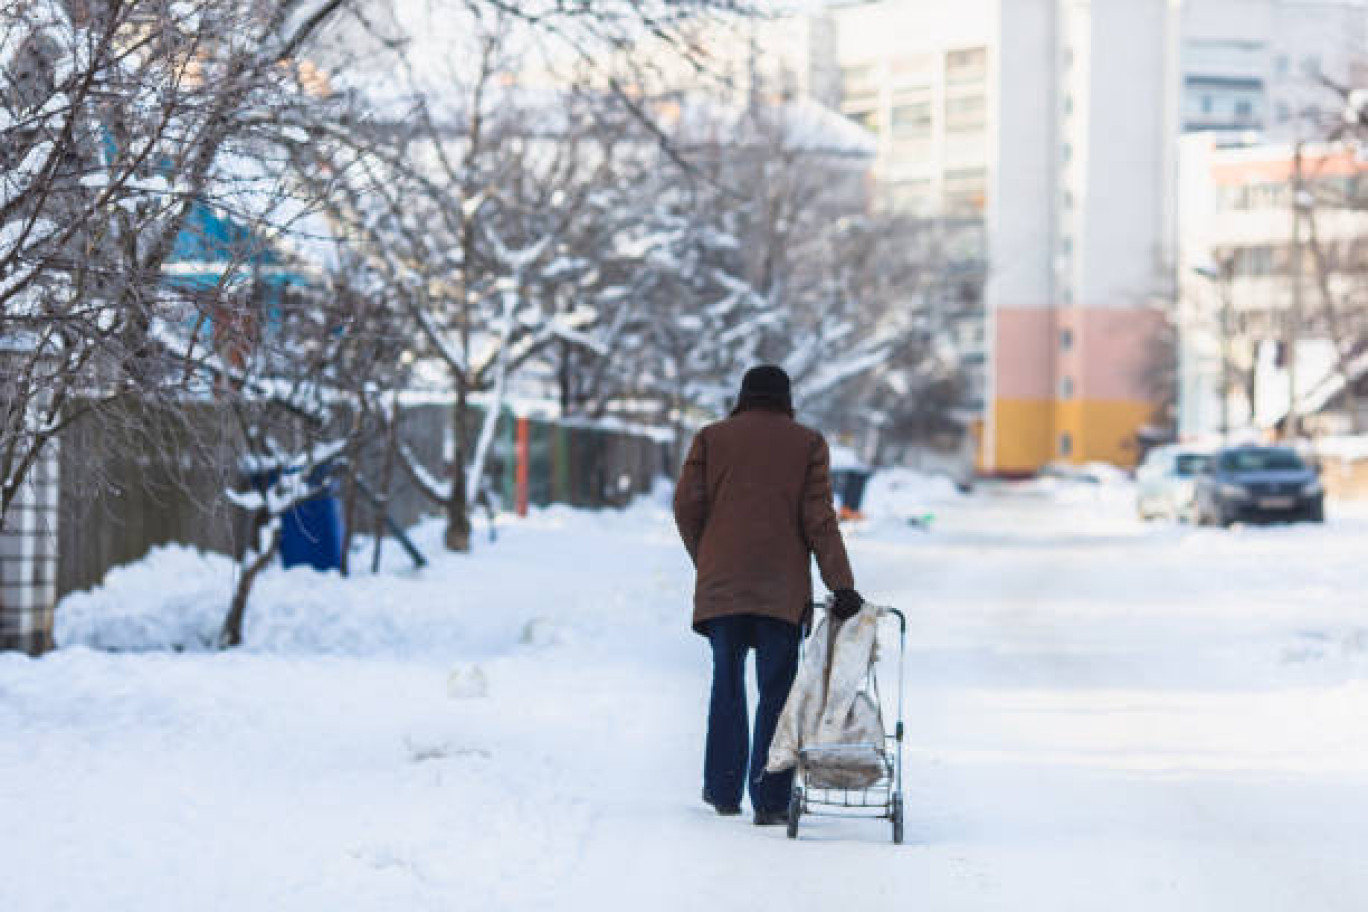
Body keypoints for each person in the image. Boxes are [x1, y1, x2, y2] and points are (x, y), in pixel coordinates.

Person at [673, 365, 863, 825]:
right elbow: (819, 518)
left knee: (727, 683)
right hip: (781, 589)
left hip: (723, 586)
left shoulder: (711, 438)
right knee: (777, 689)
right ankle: (771, 799)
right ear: (785, 398)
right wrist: (842, 585)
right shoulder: (807, 443)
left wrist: (709, 558)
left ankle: (722, 790)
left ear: (743, 396)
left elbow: (685, 505)